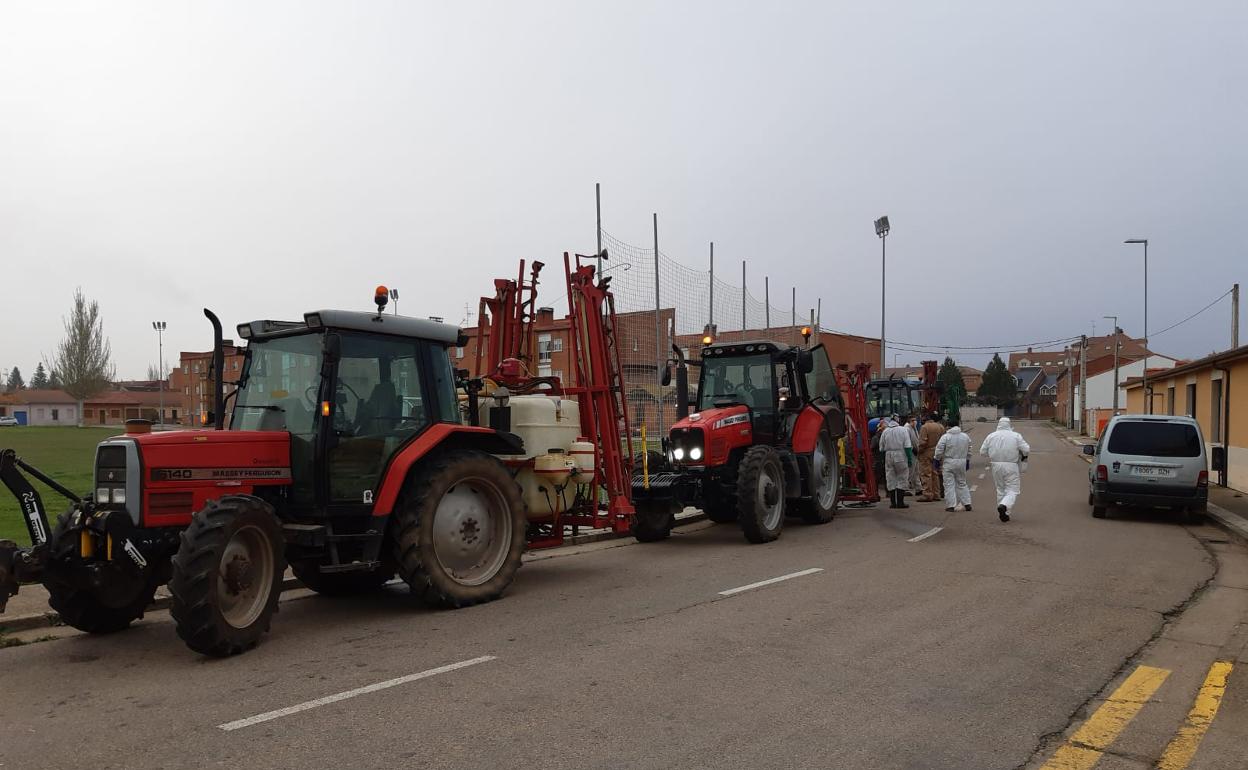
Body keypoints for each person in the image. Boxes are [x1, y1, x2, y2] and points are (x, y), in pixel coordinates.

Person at [979, 416, 1030, 522]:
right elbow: (1026, 449)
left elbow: (982, 452)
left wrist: (994, 454)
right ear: (1009, 424)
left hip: (996, 465)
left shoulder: (991, 436)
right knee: (1013, 489)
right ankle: (1004, 506)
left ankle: (1004, 513)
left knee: (1000, 489)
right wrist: (1022, 455)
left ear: (999, 424)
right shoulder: (1016, 436)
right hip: (1011, 465)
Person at [934, 418, 972, 512]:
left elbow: (939, 449)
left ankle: (951, 505)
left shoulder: (946, 437)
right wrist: (967, 460)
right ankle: (967, 503)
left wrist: (936, 460)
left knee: (949, 484)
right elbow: (969, 449)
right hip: (961, 461)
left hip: (949, 462)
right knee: (962, 482)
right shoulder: (965, 436)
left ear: (948, 426)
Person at [879, 418, 915, 509]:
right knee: (902, 477)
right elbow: (907, 446)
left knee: (890, 477)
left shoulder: (885, 431)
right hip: (901, 455)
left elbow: (881, 448)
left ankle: (893, 503)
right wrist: (909, 459)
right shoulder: (903, 430)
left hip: (888, 455)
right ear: (898, 422)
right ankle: (900, 502)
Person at [916, 413, 946, 502]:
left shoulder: (925, 427)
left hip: (926, 452)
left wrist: (919, 452)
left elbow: (922, 442)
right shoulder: (940, 427)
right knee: (935, 473)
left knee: (926, 474)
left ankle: (927, 494)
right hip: (937, 452)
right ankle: (936, 493)